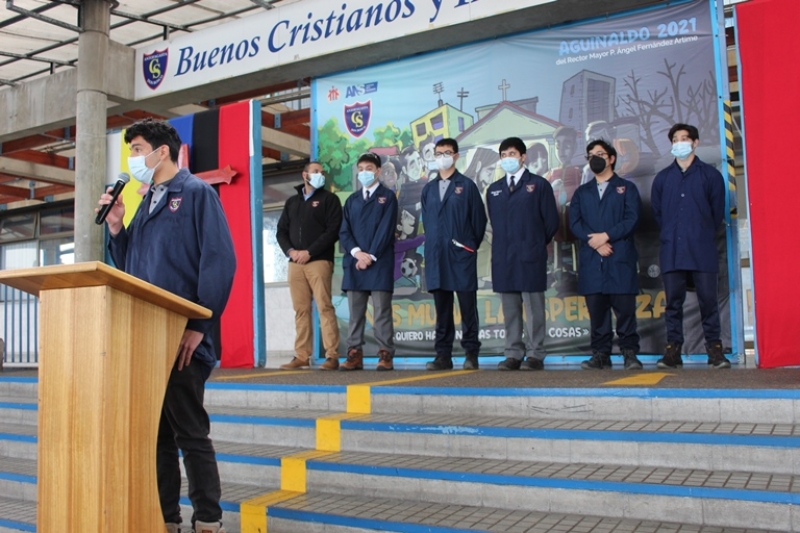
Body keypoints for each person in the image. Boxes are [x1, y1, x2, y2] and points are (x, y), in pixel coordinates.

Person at [97, 118, 235, 533]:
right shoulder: (148, 200)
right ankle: (166, 518)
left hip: (184, 339)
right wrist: (118, 226)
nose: (133, 158)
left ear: (162, 151)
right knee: (158, 437)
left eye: (138, 148)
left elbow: (218, 263)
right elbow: (132, 267)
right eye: (132, 150)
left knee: (190, 433)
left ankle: (208, 518)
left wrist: (198, 325)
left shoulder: (195, 194)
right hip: (148, 336)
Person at [651, 123, 729, 369]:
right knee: (673, 303)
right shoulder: (663, 178)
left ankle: (715, 350)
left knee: (708, 301)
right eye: (675, 139)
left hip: (702, 249)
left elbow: (716, 214)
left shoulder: (710, 176)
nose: (680, 143)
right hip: (672, 251)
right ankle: (673, 351)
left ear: (695, 142)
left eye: (684, 138)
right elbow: (658, 214)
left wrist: (697, 231)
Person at [570, 140, 644, 370]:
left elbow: (632, 219)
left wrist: (607, 236)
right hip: (593, 259)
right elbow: (575, 222)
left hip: (619, 257)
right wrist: (595, 242)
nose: (595, 158)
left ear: (611, 158)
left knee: (625, 311)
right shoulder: (582, 192)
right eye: (590, 155)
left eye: (600, 154)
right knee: (597, 313)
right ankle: (600, 354)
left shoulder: (626, 188)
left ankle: (629, 353)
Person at [486, 137, 559, 370]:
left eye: (512, 154)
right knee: (510, 310)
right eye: (504, 155)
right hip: (503, 257)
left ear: (523, 156)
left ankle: (536, 353)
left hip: (530, 255)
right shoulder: (494, 189)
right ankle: (513, 353)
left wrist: (535, 243)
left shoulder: (538, 185)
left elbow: (551, 222)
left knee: (534, 308)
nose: (508, 158)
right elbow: (493, 224)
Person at [420, 138, 487, 370]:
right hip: (437, 257)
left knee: (468, 307)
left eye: (447, 152)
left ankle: (471, 353)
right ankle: (443, 356)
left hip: (461, 256)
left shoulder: (467, 186)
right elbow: (428, 224)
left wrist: (468, 246)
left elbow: (479, 221)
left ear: (456, 156)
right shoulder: (428, 189)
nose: (442, 156)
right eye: (438, 153)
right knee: (442, 310)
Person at [276, 161, 343, 370]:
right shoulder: (292, 202)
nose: (320, 175)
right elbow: (281, 231)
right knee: (301, 310)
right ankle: (302, 355)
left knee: (324, 306)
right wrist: (291, 252)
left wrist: (309, 252)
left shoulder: (329, 200)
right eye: (316, 172)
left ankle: (332, 356)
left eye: (322, 173)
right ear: (304, 175)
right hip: (295, 263)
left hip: (319, 261)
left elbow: (332, 231)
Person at [339, 153, 399, 371]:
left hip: (379, 262)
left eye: (369, 168)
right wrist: (357, 254)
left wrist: (370, 256)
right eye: (361, 168)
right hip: (355, 264)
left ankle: (385, 354)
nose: (365, 172)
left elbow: (385, 230)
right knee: (356, 314)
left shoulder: (388, 197)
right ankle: (354, 354)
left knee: (382, 312)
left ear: (378, 171)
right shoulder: (352, 200)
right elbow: (344, 231)